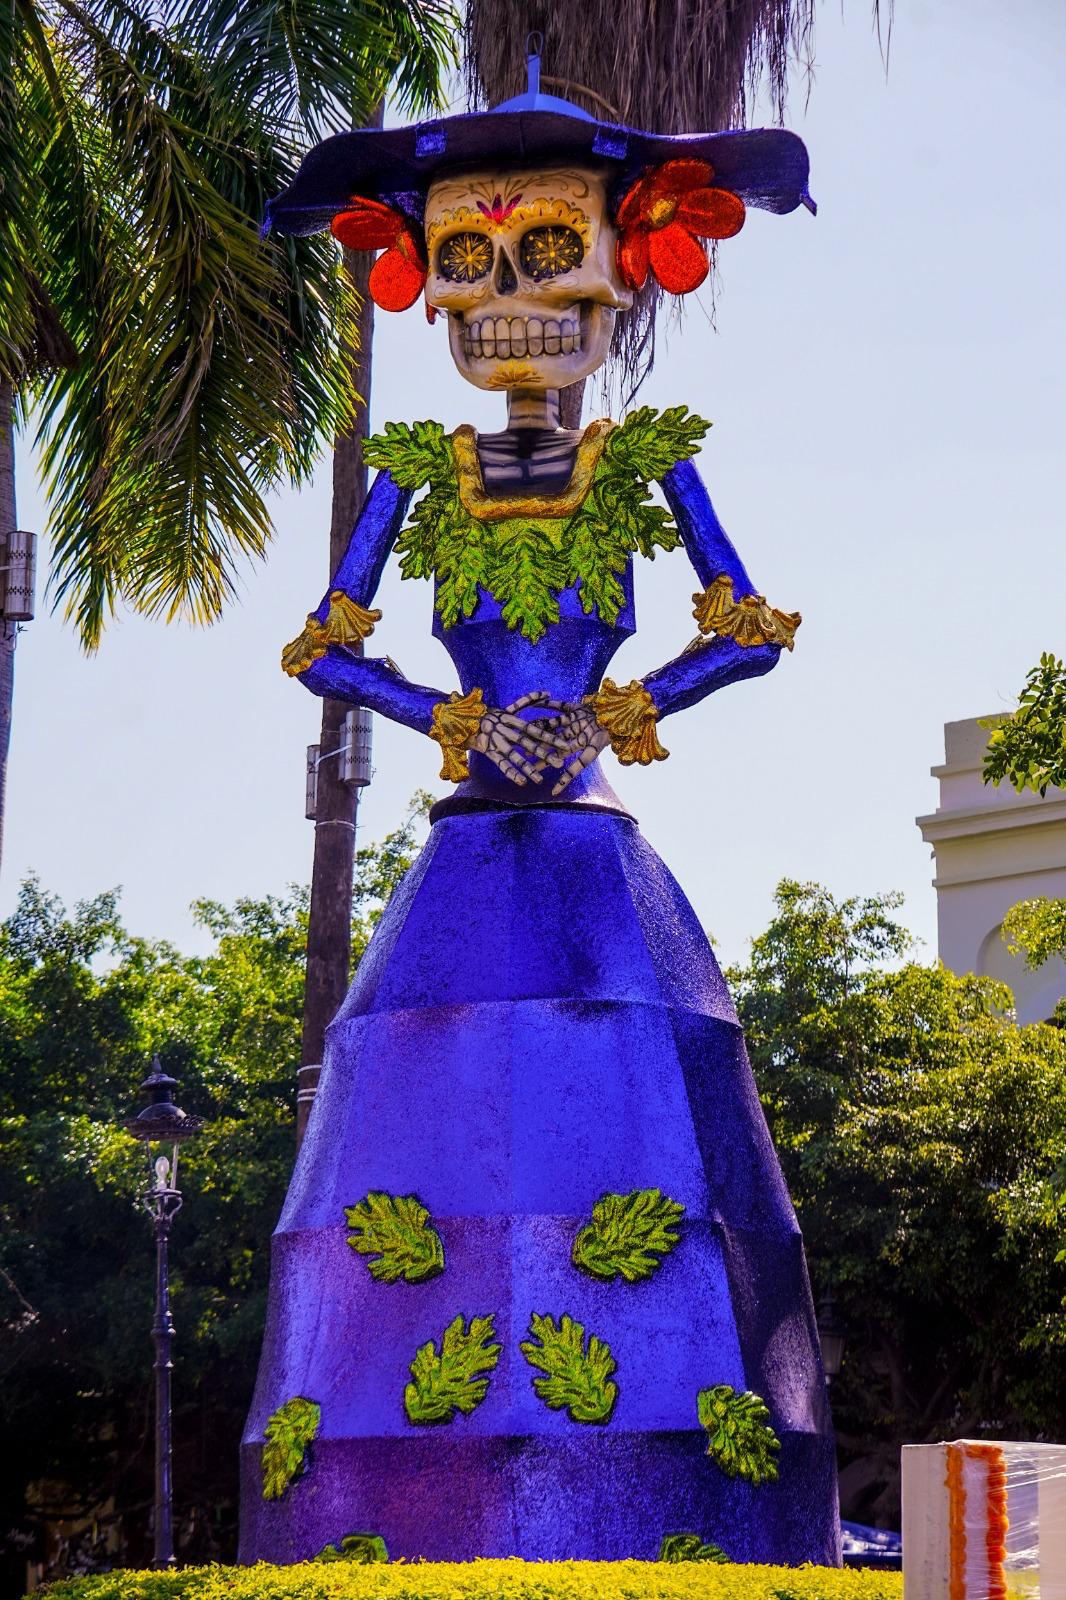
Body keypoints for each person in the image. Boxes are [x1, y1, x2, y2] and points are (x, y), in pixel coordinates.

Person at [240, 55, 839, 1566]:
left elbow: (748, 626)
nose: (508, 292)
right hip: (467, 849)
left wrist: (610, 714)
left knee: (650, 1145)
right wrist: (445, 720)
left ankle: (689, 1517)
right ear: (422, 282)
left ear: (624, 263)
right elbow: (322, 643)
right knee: (415, 1155)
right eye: (465, 256)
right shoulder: (417, 477)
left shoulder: (647, 463)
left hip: (586, 840)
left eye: (548, 248)